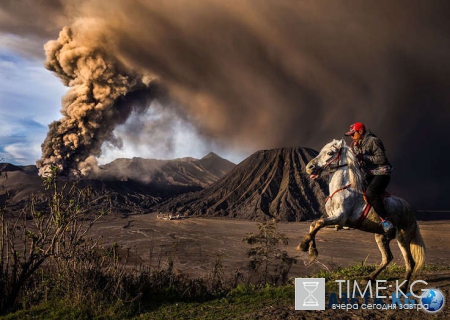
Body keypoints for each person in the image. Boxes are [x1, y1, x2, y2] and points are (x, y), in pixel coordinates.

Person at [345, 122, 394, 233]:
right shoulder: (356, 145)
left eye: (353, 134)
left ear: (360, 132)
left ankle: (386, 221)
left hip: (381, 173)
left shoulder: (373, 141)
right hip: (369, 174)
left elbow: (381, 159)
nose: (352, 137)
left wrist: (364, 157)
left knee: (370, 193)